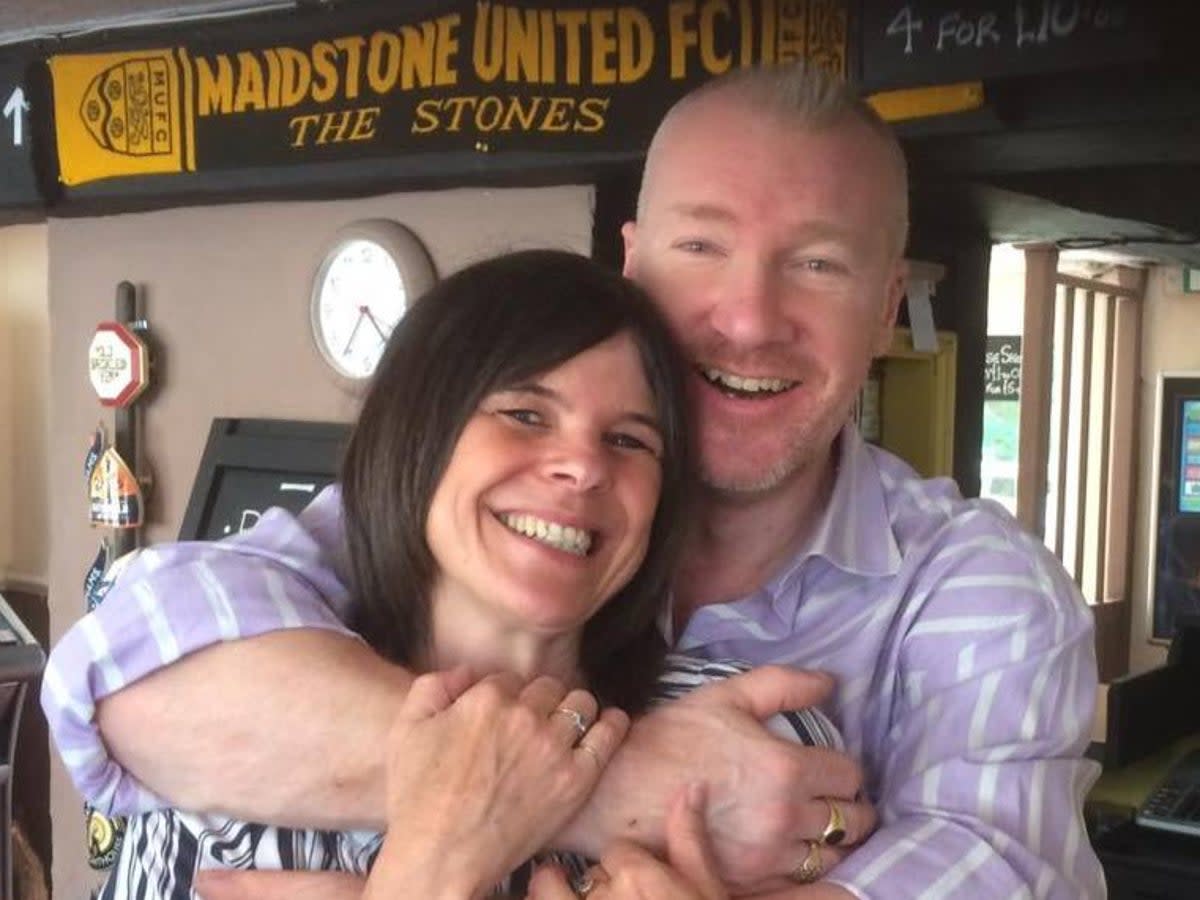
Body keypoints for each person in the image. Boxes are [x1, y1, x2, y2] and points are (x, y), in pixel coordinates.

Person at [44, 62, 1104, 897]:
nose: (748, 315)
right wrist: (607, 789)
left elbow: (1004, 870)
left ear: (887, 309)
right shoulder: (417, 536)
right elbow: (133, 667)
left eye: (819, 264)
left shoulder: (959, 601)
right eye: (703, 244)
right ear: (633, 262)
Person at [80, 249, 844, 899]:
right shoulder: (232, 764)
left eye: (628, 439)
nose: (581, 466)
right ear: (418, 437)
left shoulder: (753, 746)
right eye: (525, 414)